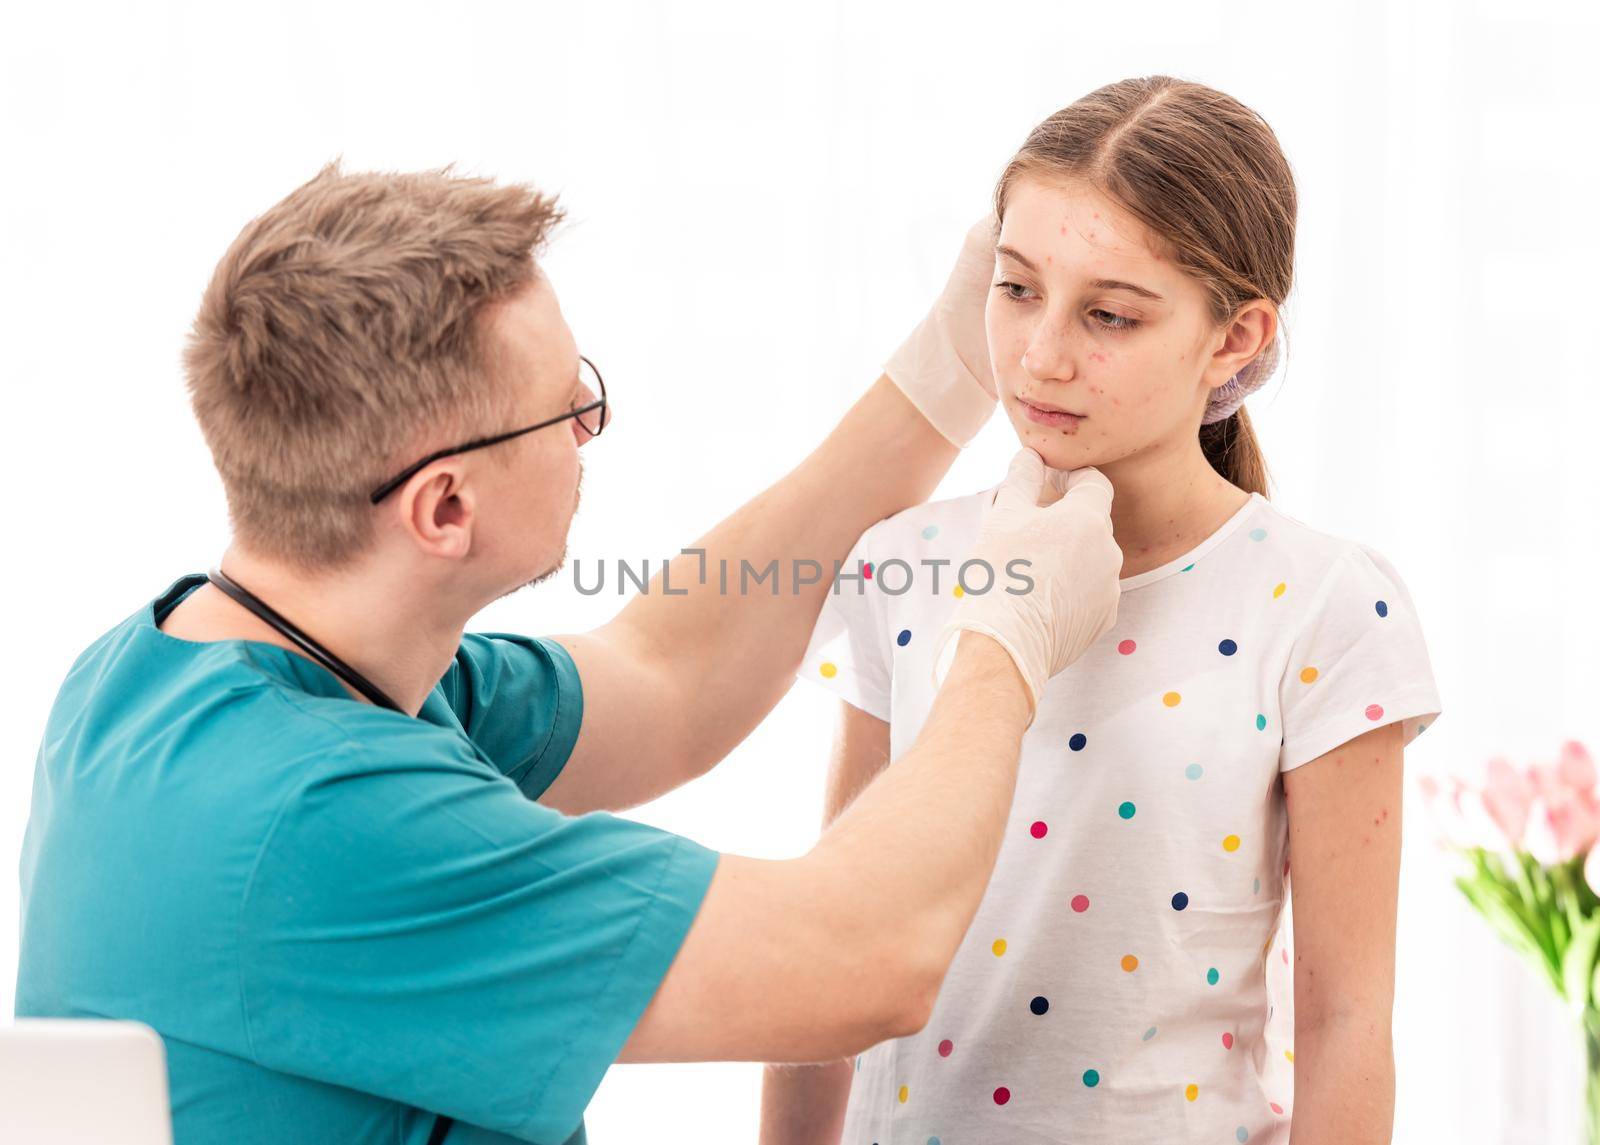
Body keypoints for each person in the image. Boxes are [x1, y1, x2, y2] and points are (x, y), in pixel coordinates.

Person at [14, 162, 1126, 1145]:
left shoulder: (176, 672)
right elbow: (865, 958)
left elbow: (669, 675)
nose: (588, 431)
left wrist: (949, 369)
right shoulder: (319, 822)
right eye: (565, 409)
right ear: (444, 506)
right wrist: (1003, 640)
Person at [762, 76, 1444, 1145]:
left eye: (1109, 314)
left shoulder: (1322, 605)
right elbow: (821, 953)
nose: (1040, 354)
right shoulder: (903, 562)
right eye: (1016, 288)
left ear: (1234, 338)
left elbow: (1348, 1015)